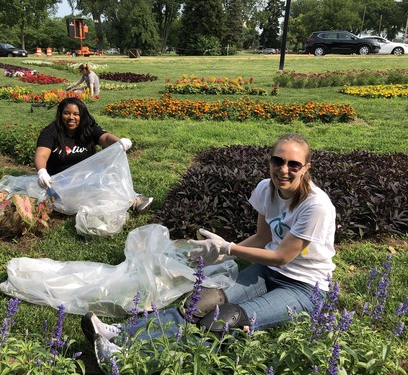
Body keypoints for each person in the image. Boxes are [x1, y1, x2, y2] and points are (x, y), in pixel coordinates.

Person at [81, 133, 337, 369]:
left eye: (293, 164)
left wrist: (229, 247)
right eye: (278, 161)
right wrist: (223, 253)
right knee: (202, 302)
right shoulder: (265, 189)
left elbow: (282, 257)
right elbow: (263, 238)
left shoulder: (315, 206)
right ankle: (124, 333)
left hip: (305, 288)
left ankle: (128, 357)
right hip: (267, 271)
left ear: (306, 168)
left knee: (223, 319)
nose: (284, 170)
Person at [35, 97, 152, 212]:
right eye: (66, 113)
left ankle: (135, 199)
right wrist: (42, 172)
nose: (71, 117)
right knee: (68, 203)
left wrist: (119, 142)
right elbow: (41, 155)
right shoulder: (51, 132)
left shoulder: (88, 129)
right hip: (61, 182)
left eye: (76, 114)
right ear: (60, 114)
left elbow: (105, 138)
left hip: (88, 176)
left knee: (109, 179)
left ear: (82, 115)